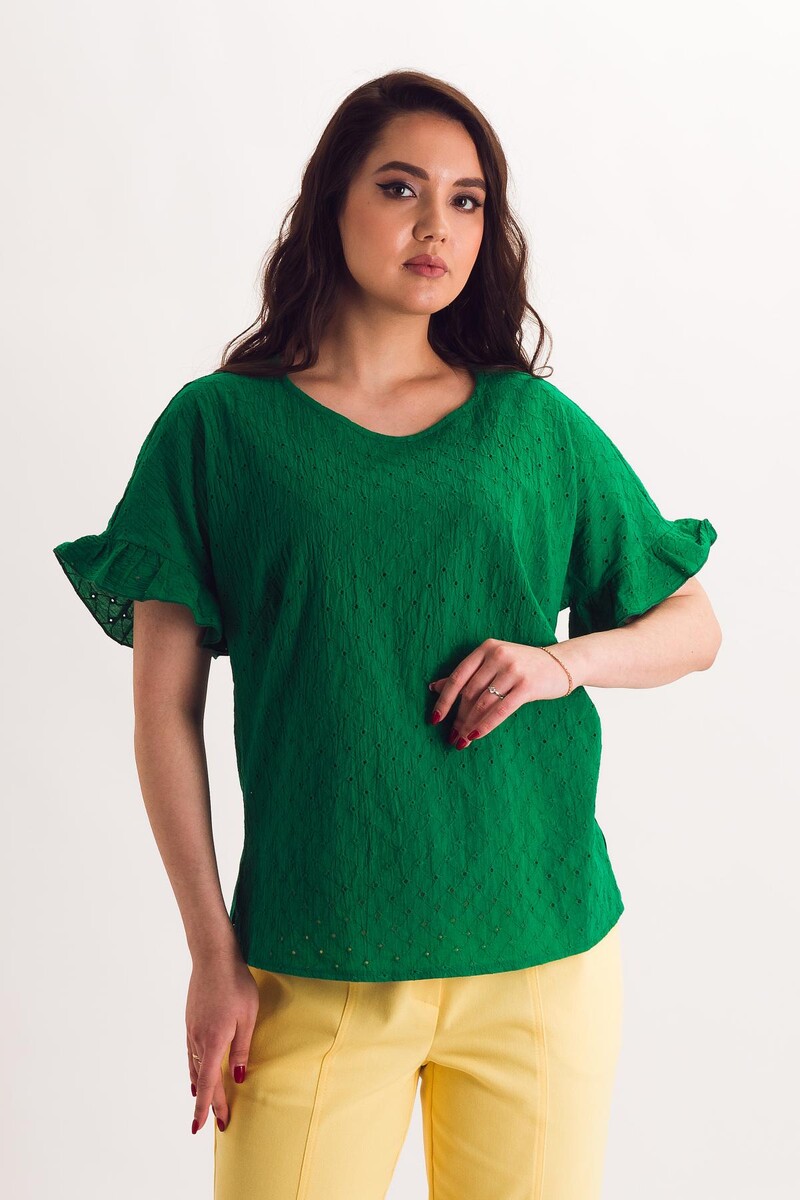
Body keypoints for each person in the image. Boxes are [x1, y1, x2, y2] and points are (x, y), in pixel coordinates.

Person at [51, 70, 721, 1200]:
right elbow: (163, 710)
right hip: (313, 958)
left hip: (540, 952)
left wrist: (561, 664)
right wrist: (211, 951)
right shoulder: (218, 429)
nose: (435, 226)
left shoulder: (530, 424)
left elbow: (692, 624)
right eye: (401, 188)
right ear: (331, 203)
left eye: (467, 201)